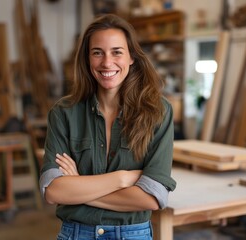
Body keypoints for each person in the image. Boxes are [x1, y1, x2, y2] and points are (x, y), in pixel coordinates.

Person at [39, 13, 176, 240]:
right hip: (76, 233)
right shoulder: (63, 113)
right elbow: (53, 191)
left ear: (131, 57)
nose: (106, 63)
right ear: (87, 59)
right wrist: (122, 178)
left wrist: (78, 187)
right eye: (97, 53)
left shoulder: (158, 112)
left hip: (133, 234)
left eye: (117, 52)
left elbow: (152, 197)